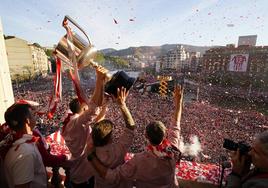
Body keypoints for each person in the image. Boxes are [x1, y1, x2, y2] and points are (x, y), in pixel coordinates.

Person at [88, 85, 183, 188]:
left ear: (146, 135)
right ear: (165, 134)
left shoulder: (139, 160)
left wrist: (92, 157)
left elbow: (113, 176)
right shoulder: (173, 150)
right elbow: (175, 124)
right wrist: (178, 103)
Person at [61, 66, 107, 188]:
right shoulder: (76, 123)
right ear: (83, 108)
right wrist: (99, 80)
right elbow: (93, 110)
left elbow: (96, 120)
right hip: (83, 176)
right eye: (85, 105)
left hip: (83, 171)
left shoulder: (72, 121)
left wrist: (105, 106)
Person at [88, 87, 135, 188]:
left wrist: (104, 105)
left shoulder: (90, 148)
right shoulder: (119, 150)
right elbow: (130, 126)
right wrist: (122, 105)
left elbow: (97, 126)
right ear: (110, 137)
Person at [4, 103, 47, 188]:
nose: (35, 117)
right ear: (28, 120)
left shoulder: (22, 145)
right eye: (33, 115)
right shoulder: (25, 154)